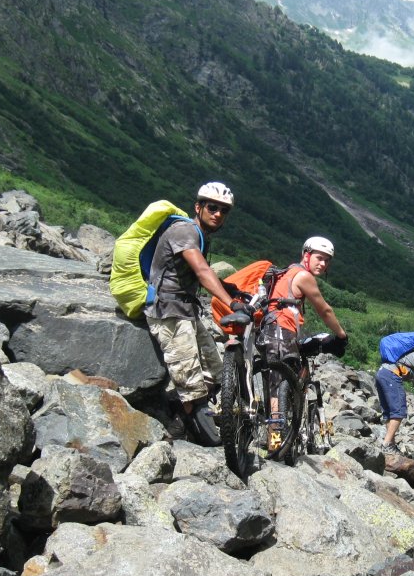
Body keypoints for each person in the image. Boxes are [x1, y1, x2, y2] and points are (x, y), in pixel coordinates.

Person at [144, 182, 248, 443]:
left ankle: (180, 420)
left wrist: (231, 289)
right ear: (198, 207)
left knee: (216, 371)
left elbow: (199, 272)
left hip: (187, 312)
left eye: (224, 210)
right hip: (168, 312)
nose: (218, 214)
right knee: (190, 382)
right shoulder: (184, 231)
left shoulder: (200, 235)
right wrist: (230, 304)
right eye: (212, 207)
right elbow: (202, 272)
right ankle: (191, 436)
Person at [259, 236, 349, 450]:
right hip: (281, 331)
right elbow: (325, 310)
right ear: (306, 255)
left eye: (327, 261)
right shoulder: (303, 276)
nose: (323, 264)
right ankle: (275, 442)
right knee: (278, 386)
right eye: (319, 258)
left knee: (276, 384)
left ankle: (276, 438)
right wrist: (341, 335)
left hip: (268, 330)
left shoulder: (287, 272)